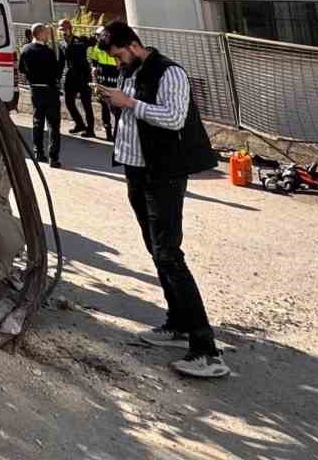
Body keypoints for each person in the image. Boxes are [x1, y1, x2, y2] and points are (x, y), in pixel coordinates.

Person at [99, 21, 229, 379]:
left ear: (134, 44)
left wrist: (131, 103)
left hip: (163, 174)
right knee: (156, 250)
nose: (118, 63)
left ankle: (206, 350)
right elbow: (133, 113)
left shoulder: (170, 72)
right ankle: (178, 323)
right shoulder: (130, 72)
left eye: (120, 55)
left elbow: (173, 118)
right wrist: (115, 104)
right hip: (137, 170)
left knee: (170, 254)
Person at [18, 23, 63, 167]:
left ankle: (38, 153)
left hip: (35, 90)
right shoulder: (48, 52)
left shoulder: (25, 50)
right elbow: (56, 72)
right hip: (50, 91)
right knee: (53, 125)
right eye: (46, 33)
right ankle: (53, 158)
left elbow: (21, 69)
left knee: (38, 122)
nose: (48, 35)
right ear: (40, 34)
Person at [59, 20, 95, 136]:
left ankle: (90, 129)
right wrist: (58, 78)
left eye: (65, 29)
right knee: (69, 102)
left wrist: (93, 37)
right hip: (70, 78)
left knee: (86, 104)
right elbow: (61, 62)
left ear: (70, 29)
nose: (63, 32)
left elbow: (93, 42)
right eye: (61, 30)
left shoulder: (81, 40)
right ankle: (79, 124)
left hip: (84, 77)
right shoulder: (61, 44)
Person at [91, 34, 121, 142]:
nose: (98, 37)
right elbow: (94, 63)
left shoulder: (115, 46)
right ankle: (108, 132)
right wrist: (95, 75)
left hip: (114, 77)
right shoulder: (96, 48)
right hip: (103, 78)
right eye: (97, 35)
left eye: (100, 35)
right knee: (104, 106)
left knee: (116, 107)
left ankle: (118, 133)